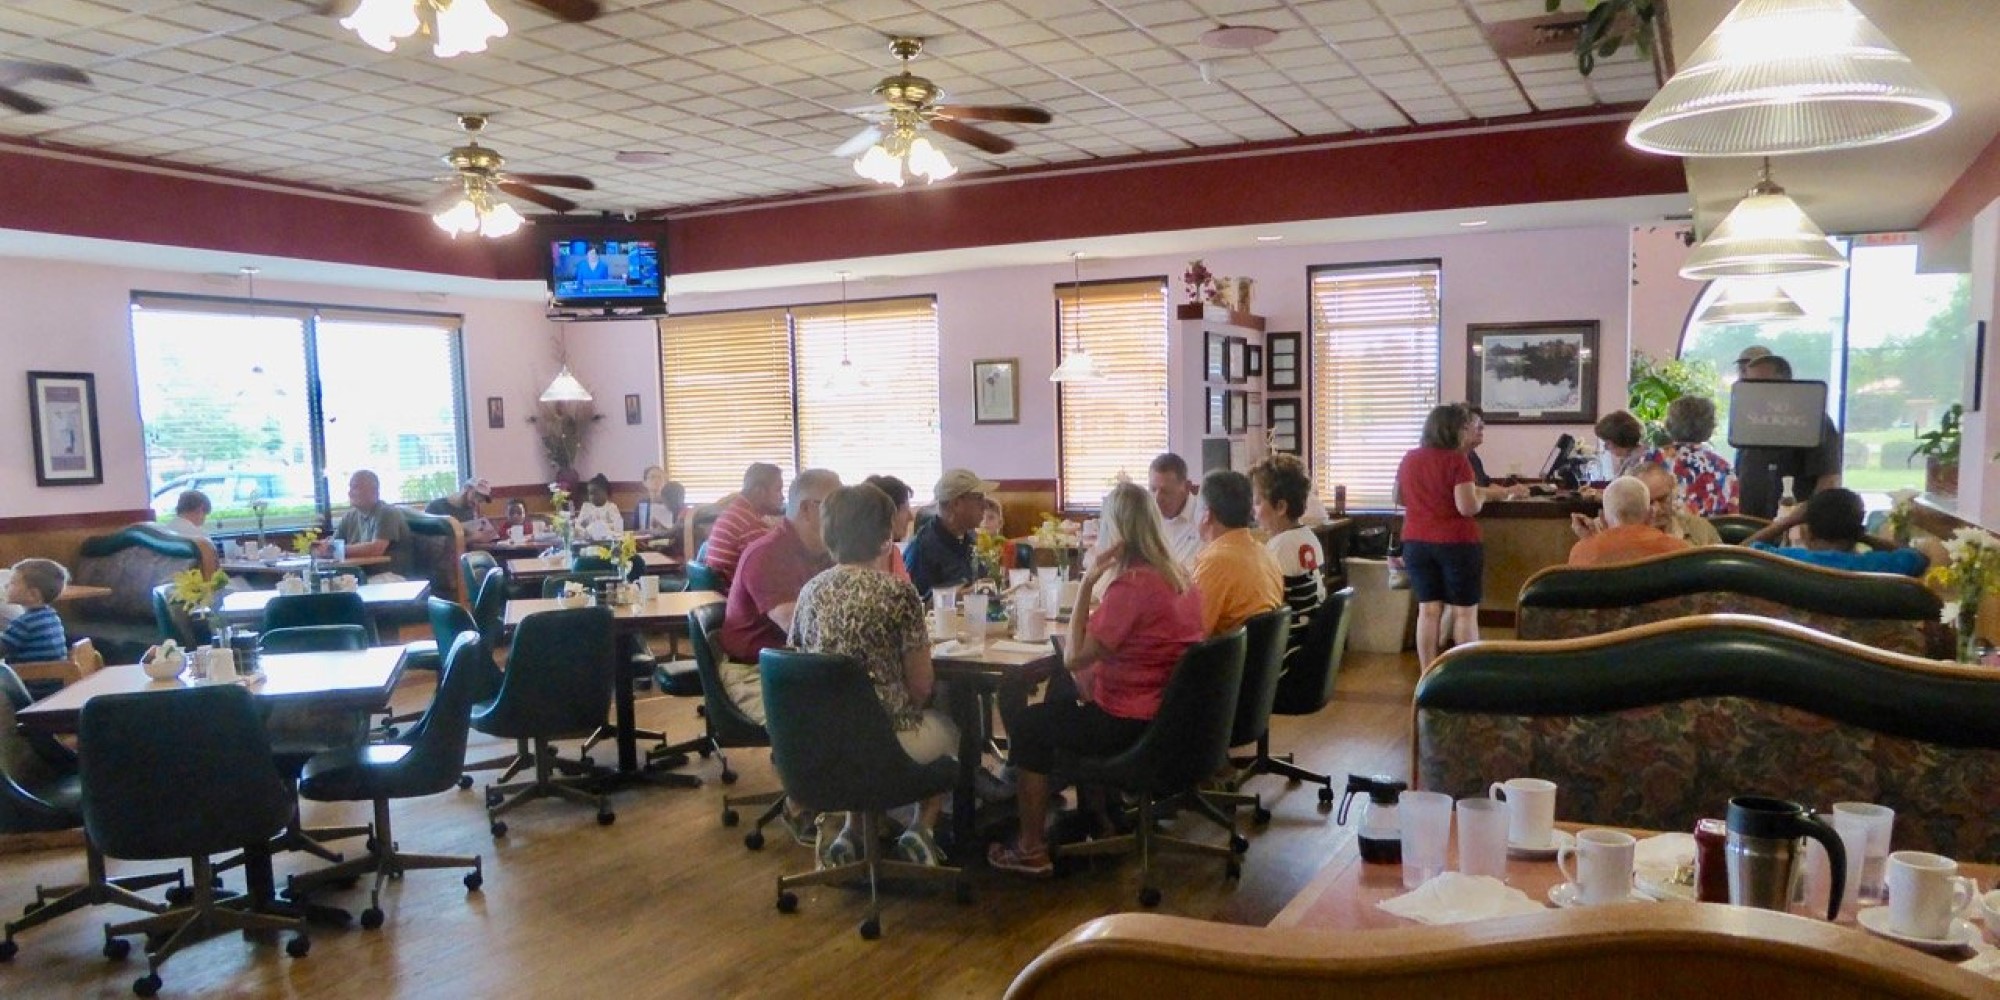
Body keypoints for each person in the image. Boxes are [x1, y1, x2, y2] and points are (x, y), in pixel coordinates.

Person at [986, 481, 1204, 879]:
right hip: (1170, 715)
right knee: (1066, 695)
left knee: (1032, 725)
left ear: (1116, 533)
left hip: (1130, 721)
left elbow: (1072, 656)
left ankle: (1032, 848)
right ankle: (1101, 816)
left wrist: (1087, 582)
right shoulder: (1180, 578)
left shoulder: (1132, 586)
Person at [790, 483, 958, 869]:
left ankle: (853, 831)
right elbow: (921, 686)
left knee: (855, 730)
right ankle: (922, 826)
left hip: (819, 743)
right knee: (949, 728)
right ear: (885, 536)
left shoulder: (809, 592)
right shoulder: (898, 594)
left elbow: (798, 661)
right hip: (885, 744)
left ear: (830, 535)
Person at [716, 469, 840, 723]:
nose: (845, 515)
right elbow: (800, 625)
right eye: (837, 505)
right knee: (829, 721)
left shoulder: (823, 552)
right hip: (756, 670)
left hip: (799, 663)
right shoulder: (768, 553)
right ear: (808, 509)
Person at [1395, 404, 1488, 671]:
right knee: (1464, 612)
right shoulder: (1458, 460)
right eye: (1465, 426)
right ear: (1454, 430)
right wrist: (1481, 496)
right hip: (1457, 543)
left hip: (1415, 542)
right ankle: (1464, 673)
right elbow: (1466, 507)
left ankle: (1427, 673)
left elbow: (1398, 497)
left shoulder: (1410, 457)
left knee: (1428, 610)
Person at [1735, 354, 1843, 518]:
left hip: (1792, 526)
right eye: (1749, 382)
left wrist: (1805, 520)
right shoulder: (1750, 420)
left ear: (1783, 382)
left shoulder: (1813, 421)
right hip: (1748, 523)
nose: (1753, 389)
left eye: (1760, 382)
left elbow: (1829, 480)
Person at [1744, 488, 1928, 576]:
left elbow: (1739, 551)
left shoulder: (1785, 561)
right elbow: (1918, 557)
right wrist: (1862, 535)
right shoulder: (1880, 566)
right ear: (1857, 532)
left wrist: (1788, 521)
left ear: (1808, 533)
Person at [1250, 453, 1323, 673]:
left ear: (1280, 507)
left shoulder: (1278, 548)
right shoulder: (1309, 537)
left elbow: (1264, 607)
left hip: (1286, 654)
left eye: (1258, 502)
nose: (1254, 511)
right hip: (1308, 647)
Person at [1188, 470, 1282, 637]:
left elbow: (1193, 633)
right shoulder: (1266, 554)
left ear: (1207, 515)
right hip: (1261, 660)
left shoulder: (1215, 562)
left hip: (1226, 661)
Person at [905, 468, 995, 601]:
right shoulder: (922, 549)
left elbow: (982, 581)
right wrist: (953, 597)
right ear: (956, 504)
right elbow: (913, 604)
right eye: (978, 498)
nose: (985, 505)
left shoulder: (970, 539)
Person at [1642, 395, 1739, 517]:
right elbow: (1732, 518)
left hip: (1662, 532)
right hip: (1709, 535)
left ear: (1670, 424)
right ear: (1709, 428)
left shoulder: (1651, 459)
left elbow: (1634, 503)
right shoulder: (1724, 468)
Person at [1566, 476, 1690, 567]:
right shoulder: (1679, 551)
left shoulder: (1581, 552)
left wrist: (1590, 540)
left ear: (1603, 518)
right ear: (1651, 514)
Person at [703, 463, 785, 585]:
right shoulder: (750, 523)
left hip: (720, 594)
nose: (783, 497)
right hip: (734, 598)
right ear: (759, 492)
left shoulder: (734, 512)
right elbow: (770, 571)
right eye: (778, 490)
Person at [329, 470, 413, 579]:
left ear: (374, 491)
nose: (350, 493)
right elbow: (333, 544)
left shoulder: (387, 513)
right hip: (359, 574)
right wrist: (323, 548)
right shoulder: (349, 517)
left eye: (355, 487)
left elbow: (376, 549)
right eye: (350, 488)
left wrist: (334, 550)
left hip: (389, 575)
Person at [1632, 462, 1722, 546]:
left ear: (1673, 493)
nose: (1656, 509)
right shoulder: (1625, 540)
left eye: (1662, 499)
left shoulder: (1701, 529)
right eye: (1648, 502)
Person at [1147, 453, 1206, 567]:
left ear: (1186, 487)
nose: (1157, 499)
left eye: (1166, 491)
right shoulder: (1143, 518)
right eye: (1153, 489)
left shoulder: (1205, 520)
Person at [863, 474, 915, 581]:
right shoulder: (860, 562)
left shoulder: (893, 552)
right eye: (905, 509)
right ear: (889, 513)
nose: (911, 517)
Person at [1593, 411, 1646, 482]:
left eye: (1607, 443)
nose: (1606, 447)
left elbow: (1626, 490)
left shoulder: (1639, 461)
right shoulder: (1632, 456)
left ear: (1619, 439)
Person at [636, 466, 682, 535]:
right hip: (643, 541)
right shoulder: (641, 504)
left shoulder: (672, 502)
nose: (656, 480)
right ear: (644, 482)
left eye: (660, 477)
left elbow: (676, 530)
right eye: (652, 477)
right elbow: (635, 528)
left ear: (665, 482)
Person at [574, 474, 622, 539]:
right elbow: (578, 525)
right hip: (589, 541)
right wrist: (585, 531)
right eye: (590, 493)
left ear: (605, 493)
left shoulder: (611, 507)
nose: (592, 497)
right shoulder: (586, 507)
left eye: (595, 493)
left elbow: (619, 526)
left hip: (607, 540)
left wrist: (604, 527)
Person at [426, 478, 490, 523]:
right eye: (475, 495)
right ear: (467, 489)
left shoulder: (470, 511)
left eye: (480, 501)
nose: (476, 502)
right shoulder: (435, 507)